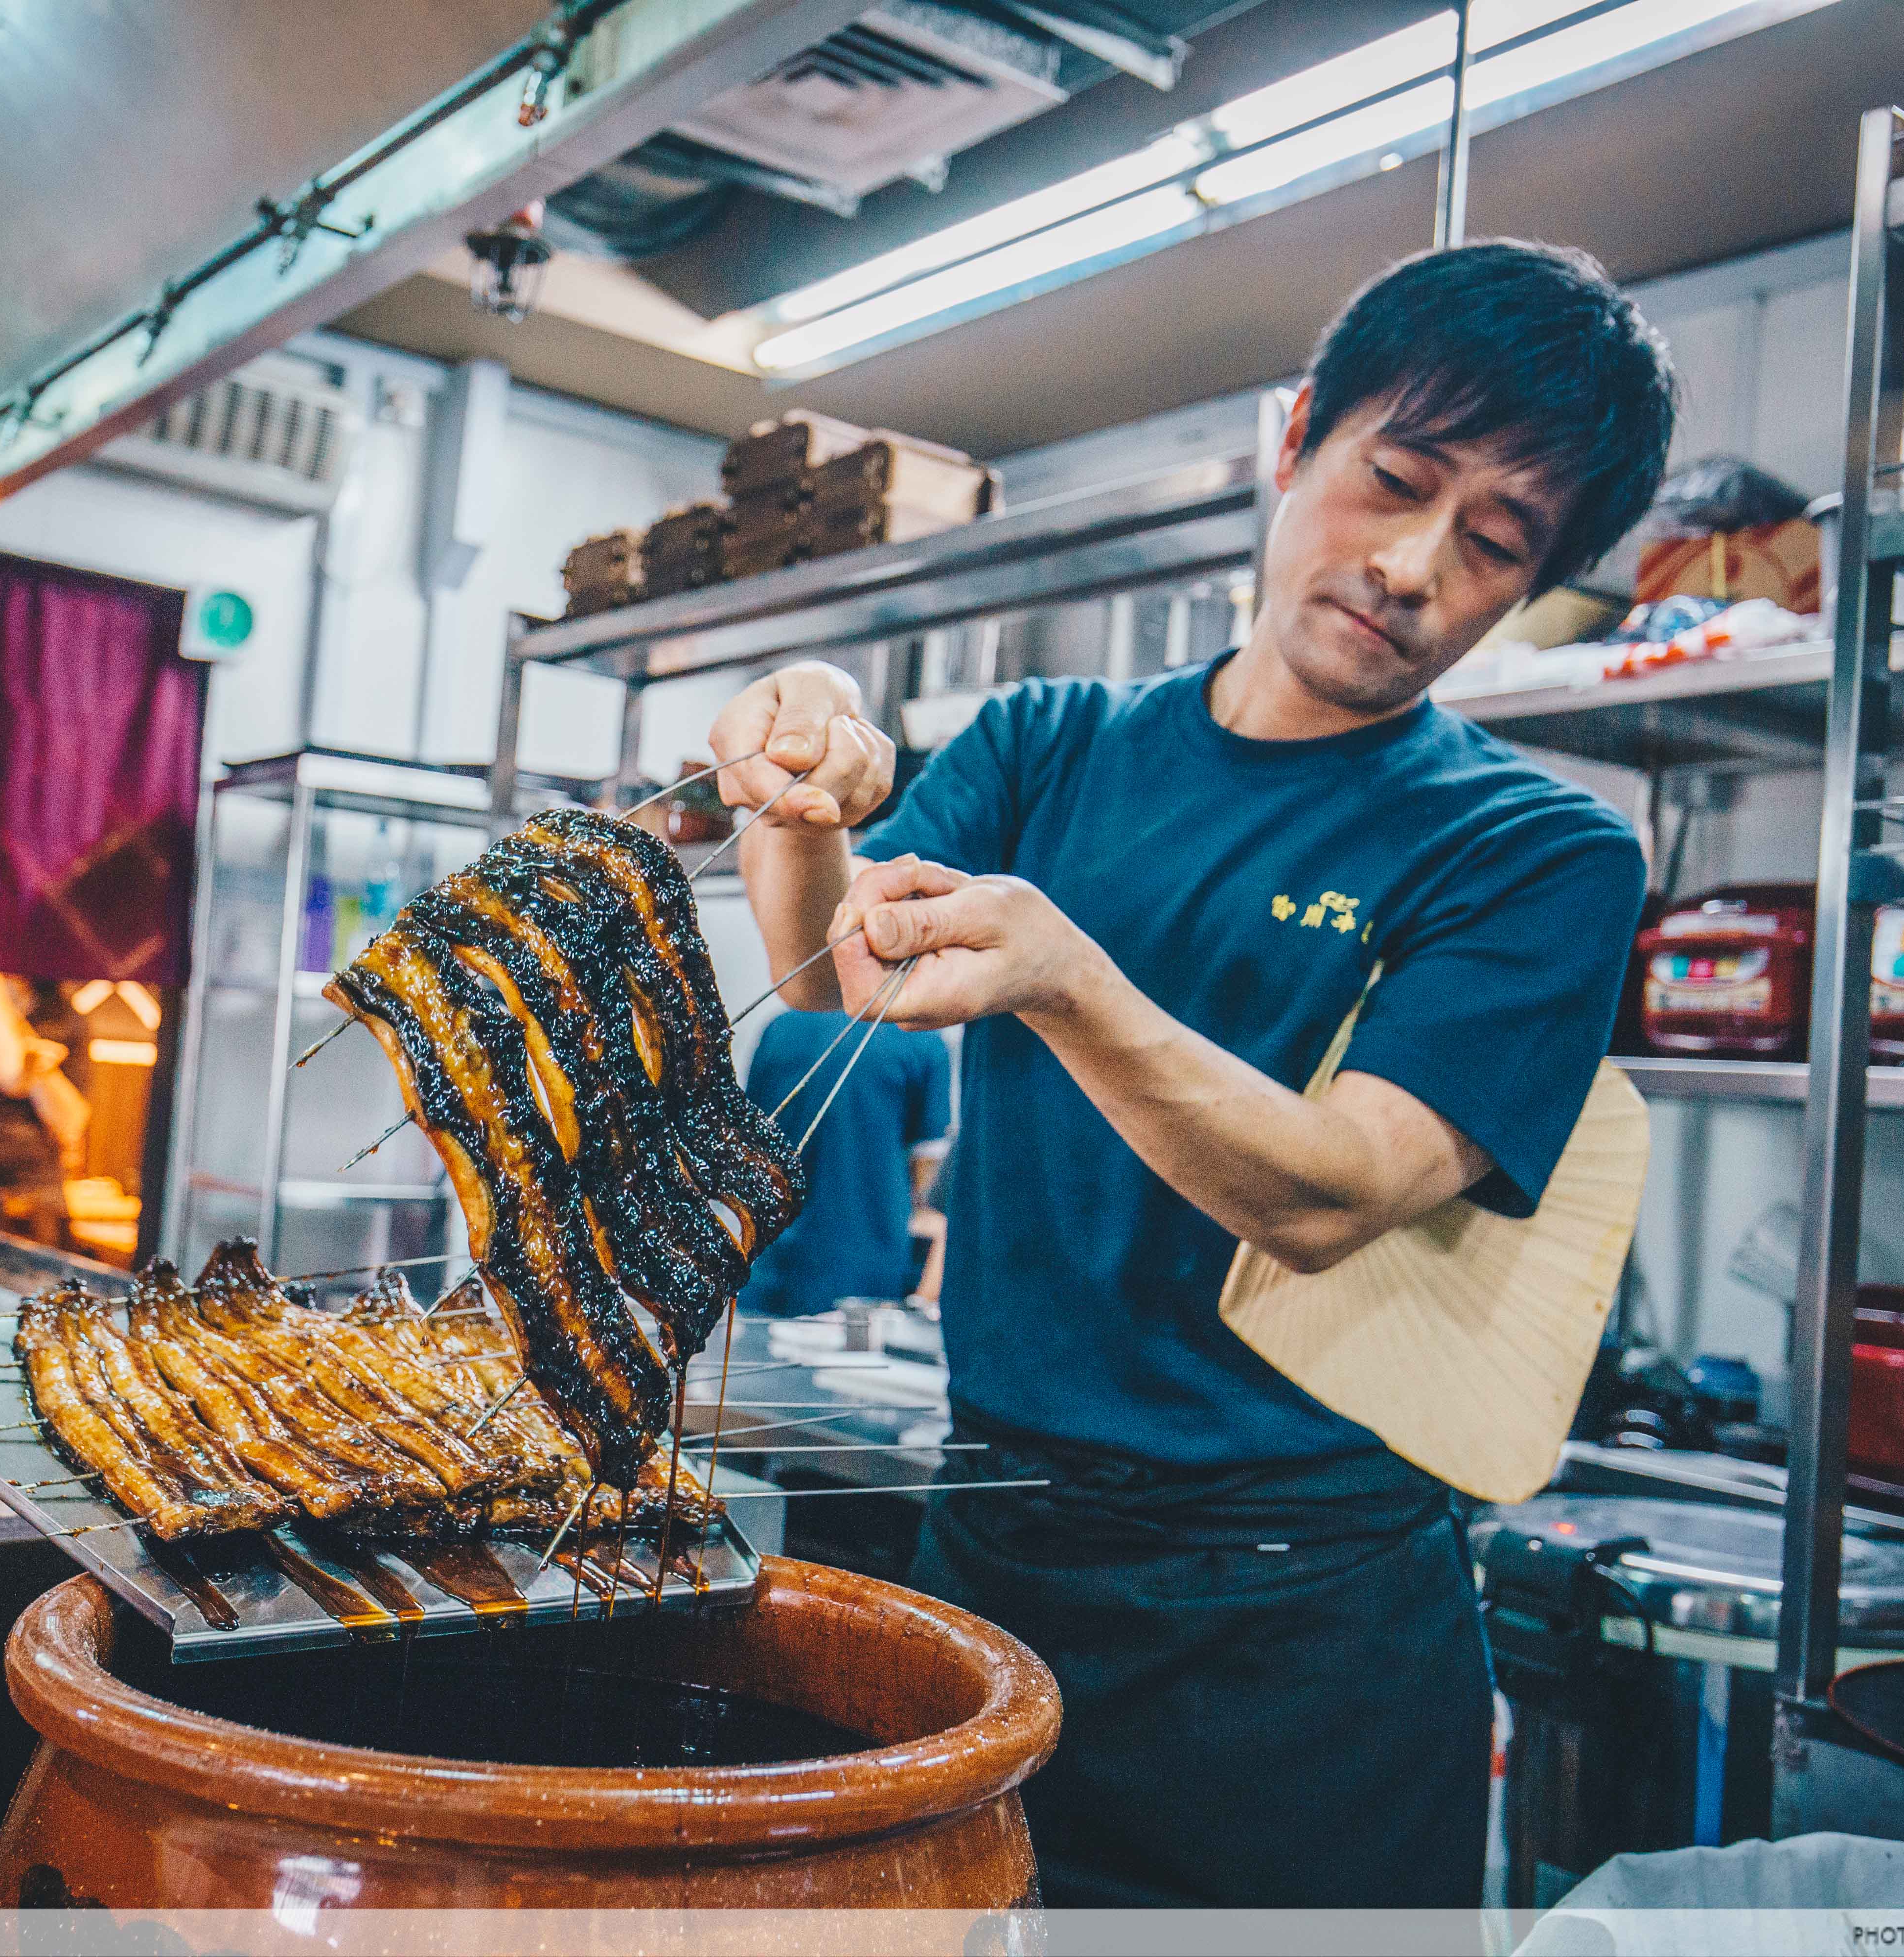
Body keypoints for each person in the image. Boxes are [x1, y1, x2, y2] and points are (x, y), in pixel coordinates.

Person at [706, 241, 1675, 1908]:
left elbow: (1333, 1191)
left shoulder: (1537, 852)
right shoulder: (1049, 748)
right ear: (1299, 436)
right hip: (998, 1548)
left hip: (1302, 1640)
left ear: (1538, 586)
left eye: (1499, 541)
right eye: (1397, 480)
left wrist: (1074, 979)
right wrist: (800, 787)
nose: (1418, 564)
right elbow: (830, 975)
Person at [736, 1008, 949, 1318]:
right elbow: (927, 1169)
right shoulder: (918, 1037)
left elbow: (748, 1148)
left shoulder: (778, 1030)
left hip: (769, 1267)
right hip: (864, 1274)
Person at [0, 972, 92, 1245]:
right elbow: (11, 1076)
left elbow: (72, 1120)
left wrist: (35, 1063)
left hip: (36, 1195)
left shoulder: (63, 1015)